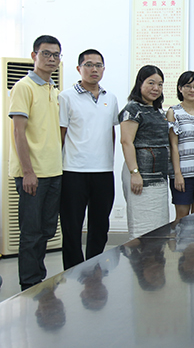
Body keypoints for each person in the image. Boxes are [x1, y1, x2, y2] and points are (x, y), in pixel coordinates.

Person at [8, 35, 63, 291]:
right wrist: (28, 171)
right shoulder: (24, 87)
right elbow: (18, 132)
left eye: (56, 55)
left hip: (54, 171)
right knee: (31, 232)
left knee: (47, 229)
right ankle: (29, 284)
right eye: (46, 53)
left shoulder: (54, 90)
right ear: (34, 55)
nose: (51, 59)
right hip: (32, 174)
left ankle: (38, 277)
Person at [58, 49, 119, 270]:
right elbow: (61, 134)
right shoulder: (66, 97)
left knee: (100, 225)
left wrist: (109, 161)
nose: (94, 69)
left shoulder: (110, 98)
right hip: (73, 170)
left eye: (98, 65)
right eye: (89, 65)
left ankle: (95, 268)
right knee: (72, 226)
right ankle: (73, 271)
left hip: (103, 171)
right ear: (79, 68)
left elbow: (111, 132)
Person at [119, 65, 170, 240]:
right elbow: (126, 142)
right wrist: (135, 173)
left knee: (159, 226)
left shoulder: (157, 110)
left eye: (160, 84)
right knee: (142, 227)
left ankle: (156, 258)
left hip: (159, 177)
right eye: (151, 83)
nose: (156, 88)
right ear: (140, 83)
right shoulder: (132, 109)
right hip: (141, 177)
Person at [167, 71, 194, 220]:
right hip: (183, 174)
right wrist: (177, 174)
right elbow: (173, 145)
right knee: (182, 217)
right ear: (180, 88)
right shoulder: (174, 112)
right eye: (188, 86)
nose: (192, 90)